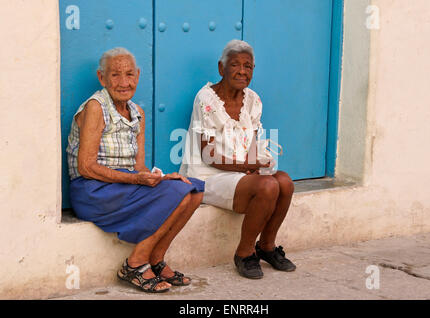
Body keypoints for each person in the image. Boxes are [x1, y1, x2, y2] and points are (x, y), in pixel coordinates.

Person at [67, 47, 204, 293]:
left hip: (122, 185)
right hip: (92, 189)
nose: (123, 82)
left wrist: (159, 177)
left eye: (129, 75)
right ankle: (134, 264)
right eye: (115, 75)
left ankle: (155, 258)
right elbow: (86, 167)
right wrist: (136, 180)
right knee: (177, 194)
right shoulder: (96, 107)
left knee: (192, 190)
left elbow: (138, 168)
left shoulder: (137, 113)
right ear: (102, 78)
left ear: (138, 76)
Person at [180, 40, 296, 279]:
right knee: (267, 185)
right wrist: (246, 167)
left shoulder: (253, 99)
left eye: (248, 66)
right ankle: (244, 253)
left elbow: (252, 144)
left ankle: (266, 247)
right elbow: (207, 154)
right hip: (207, 176)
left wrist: (258, 165)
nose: (242, 71)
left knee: (284, 181)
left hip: (239, 174)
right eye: (235, 65)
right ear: (221, 68)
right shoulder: (206, 98)